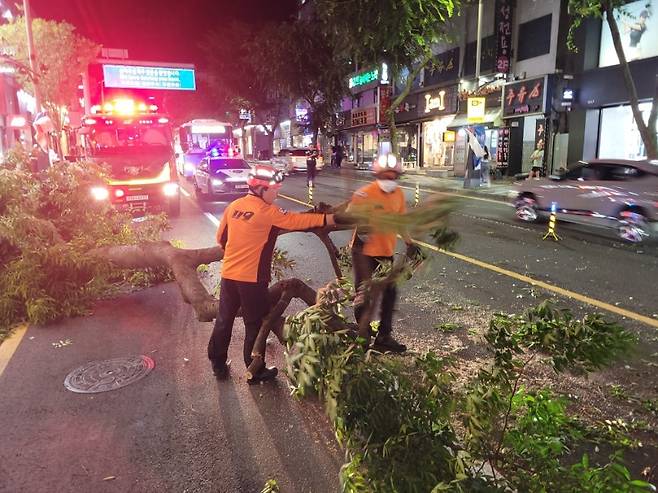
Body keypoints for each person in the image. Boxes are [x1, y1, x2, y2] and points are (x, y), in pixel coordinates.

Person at [208, 164, 339, 383]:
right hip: (252, 279)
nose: (277, 193)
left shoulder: (234, 206)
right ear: (260, 189)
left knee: (224, 319)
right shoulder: (267, 212)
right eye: (274, 189)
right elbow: (298, 221)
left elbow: (221, 238)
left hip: (229, 274)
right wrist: (328, 219)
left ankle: (218, 364)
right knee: (254, 323)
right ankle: (254, 370)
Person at [348, 153, 414, 353]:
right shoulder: (364, 194)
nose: (389, 180)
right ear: (377, 175)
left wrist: (410, 242)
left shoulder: (399, 194)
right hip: (363, 253)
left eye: (393, 177)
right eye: (385, 176)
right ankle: (363, 334)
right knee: (363, 295)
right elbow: (349, 216)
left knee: (390, 293)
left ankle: (384, 335)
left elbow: (400, 221)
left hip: (386, 252)